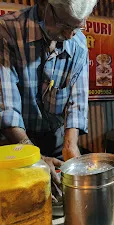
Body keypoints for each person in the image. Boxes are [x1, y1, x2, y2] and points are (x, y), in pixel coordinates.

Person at [0, 0, 97, 186]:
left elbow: (76, 105)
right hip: (15, 144)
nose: (69, 35)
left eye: (77, 27)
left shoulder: (79, 44)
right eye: (64, 25)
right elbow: (7, 109)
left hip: (55, 139)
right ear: (44, 5)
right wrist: (34, 157)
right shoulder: (7, 30)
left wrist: (70, 147)